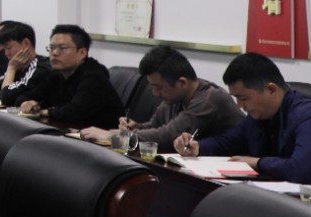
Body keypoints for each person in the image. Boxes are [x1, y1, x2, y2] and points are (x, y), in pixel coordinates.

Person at [175, 51, 311, 182]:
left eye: (243, 98)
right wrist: (197, 147)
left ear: (271, 89)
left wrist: (258, 162)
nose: (240, 105)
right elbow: (226, 142)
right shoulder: (257, 116)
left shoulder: (309, 117)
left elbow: (301, 170)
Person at [79, 45, 241, 148]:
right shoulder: (174, 97)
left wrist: (111, 136)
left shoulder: (209, 99)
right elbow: (155, 126)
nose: (155, 93)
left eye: (159, 87)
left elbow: (167, 136)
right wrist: (134, 127)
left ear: (182, 82)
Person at [16, 24, 123, 129]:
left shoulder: (94, 77)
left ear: (82, 53)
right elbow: (24, 97)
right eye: (52, 48)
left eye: (62, 48)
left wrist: (42, 111)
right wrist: (27, 103)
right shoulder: (56, 75)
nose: (55, 53)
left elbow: (74, 112)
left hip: (101, 137)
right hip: (69, 132)